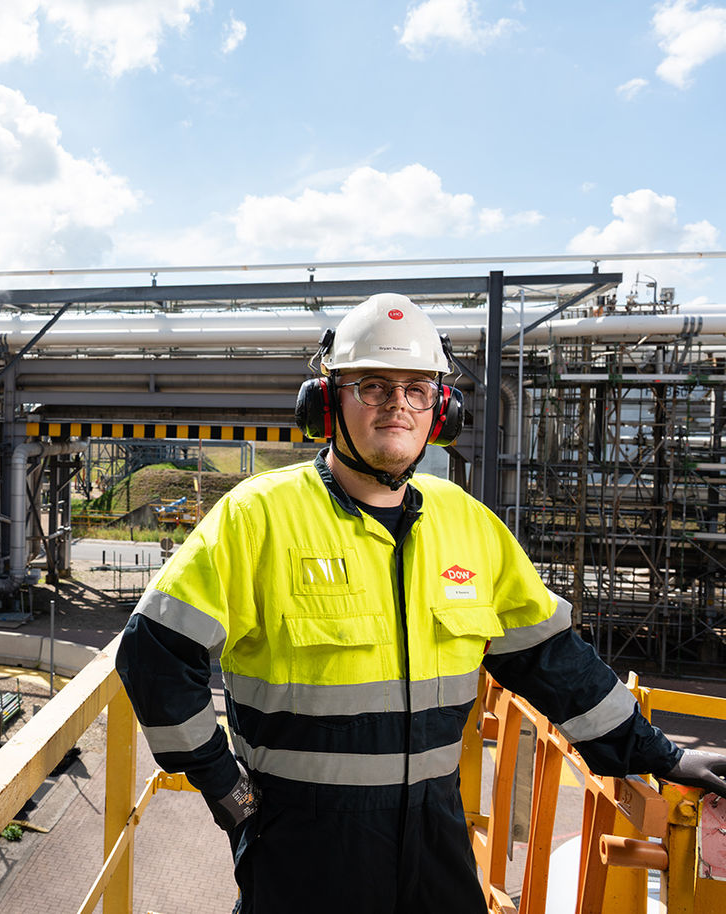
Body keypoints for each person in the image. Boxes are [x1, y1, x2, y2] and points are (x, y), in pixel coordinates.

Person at [115, 292, 726, 913]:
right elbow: (154, 653)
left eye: (417, 389)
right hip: (303, 847)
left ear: (443, 409)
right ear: (328, 401)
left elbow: (552, 660)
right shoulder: (259, 517)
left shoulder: (468, 524)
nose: (396, 407)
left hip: (436, 833)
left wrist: (663, 754)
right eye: (373, 387)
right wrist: (227, 791)